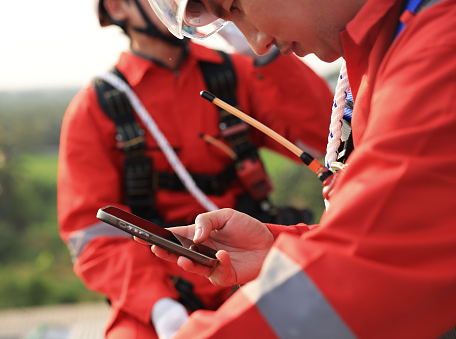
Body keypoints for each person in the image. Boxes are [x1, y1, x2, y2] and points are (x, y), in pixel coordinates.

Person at [142, 0, 456, 337]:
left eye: (236, 8)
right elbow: (406, 228)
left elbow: (372, 255)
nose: (257, 43)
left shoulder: (439, 47)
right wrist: (279, 249)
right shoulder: (392, 46)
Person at [57, 0, 333, 338]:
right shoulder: (96, 108)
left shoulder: (236, 74)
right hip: (156, 289)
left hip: (250, 263)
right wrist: (159, 306)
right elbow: (92, 236)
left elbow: (328, 139)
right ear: (117, 7)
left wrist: (265, 46)